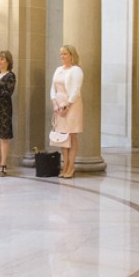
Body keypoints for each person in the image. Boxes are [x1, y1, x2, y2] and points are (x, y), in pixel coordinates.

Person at [50, 43, 84, 179]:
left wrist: (67, 106)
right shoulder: (58, 69)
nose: (62, 56)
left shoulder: (76, 70)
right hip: (58, 104)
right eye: (61, 54)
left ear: (71, 55)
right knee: (62, 136)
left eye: (64, 54)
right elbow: (53, 88)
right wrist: (54, 103)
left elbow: (76, 90)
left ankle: (71, 166)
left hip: (72, 105)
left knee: (72, 135)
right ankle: (64, 165)